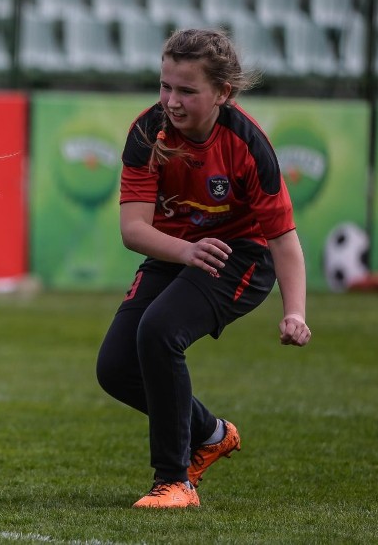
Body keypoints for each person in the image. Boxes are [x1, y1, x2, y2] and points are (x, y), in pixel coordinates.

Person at [95, 29, 311, 509]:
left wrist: (294, 312)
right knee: (114, 369)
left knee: (159, 332)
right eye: (165, 86)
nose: (171, 101)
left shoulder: (247, 144)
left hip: (241, 257)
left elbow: (283, 239)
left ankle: (175, 482)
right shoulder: (148, 131)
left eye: (187, 91)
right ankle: (212, 433)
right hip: (179, 250)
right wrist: (185, 251)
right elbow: (133, 229)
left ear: (223, 93)